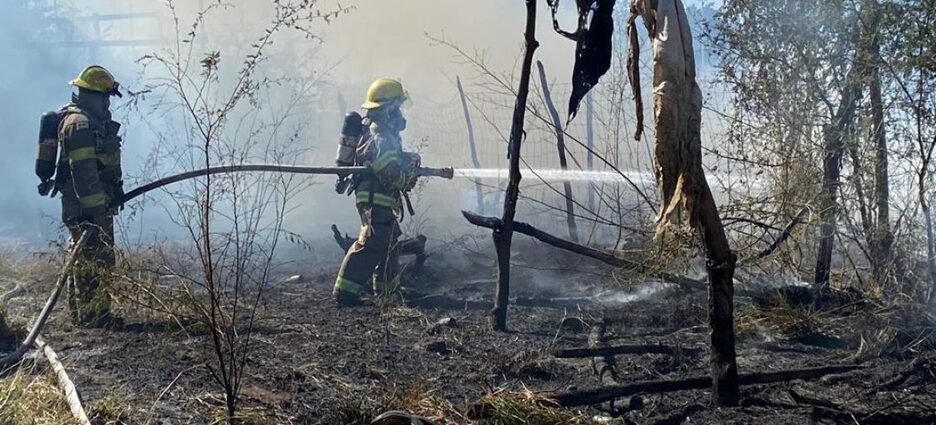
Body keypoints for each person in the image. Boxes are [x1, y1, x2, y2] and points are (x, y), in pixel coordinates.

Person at [333, 78, 420, 305]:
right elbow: (385, 166)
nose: (400, 112)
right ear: (388, 108)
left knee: (390, 242)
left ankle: (386, 291)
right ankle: (345, 292)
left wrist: (407, 160)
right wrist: (405, 180)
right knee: (371, 244)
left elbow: (389, 159)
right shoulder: (380, 133)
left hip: (379, 197)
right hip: (374, 197)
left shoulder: (381, 132)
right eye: (397, 106)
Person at [57, 65, 124, 326]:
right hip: (87, 208)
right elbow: (84, 175)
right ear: (90, 95)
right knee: (92, 260)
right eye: (104, 97)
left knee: (92, 258)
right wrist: (97, 211)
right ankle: (92, 317)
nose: (107, 103)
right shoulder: (80, 125)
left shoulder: (93, 123)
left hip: (95, 206)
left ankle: (89, 315)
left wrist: (114, 193)